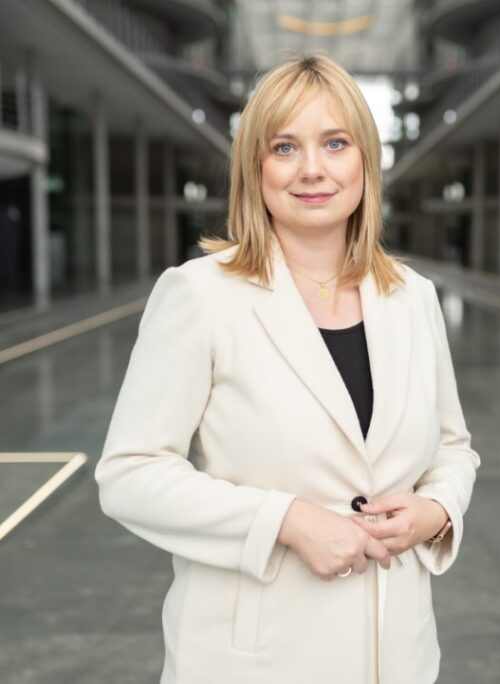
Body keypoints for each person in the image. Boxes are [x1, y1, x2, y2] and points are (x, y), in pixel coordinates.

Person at [95, 53, 480, 684]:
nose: (312, 169)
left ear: (365, 160)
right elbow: (130, 474)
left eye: (335, 142)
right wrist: (284, 520)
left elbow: (455, 448)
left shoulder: (412, 297)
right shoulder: (200, 295)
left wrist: (436, 512)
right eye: (284, 147)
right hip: (255, 660)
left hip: (398, 656)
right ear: (256, 167)